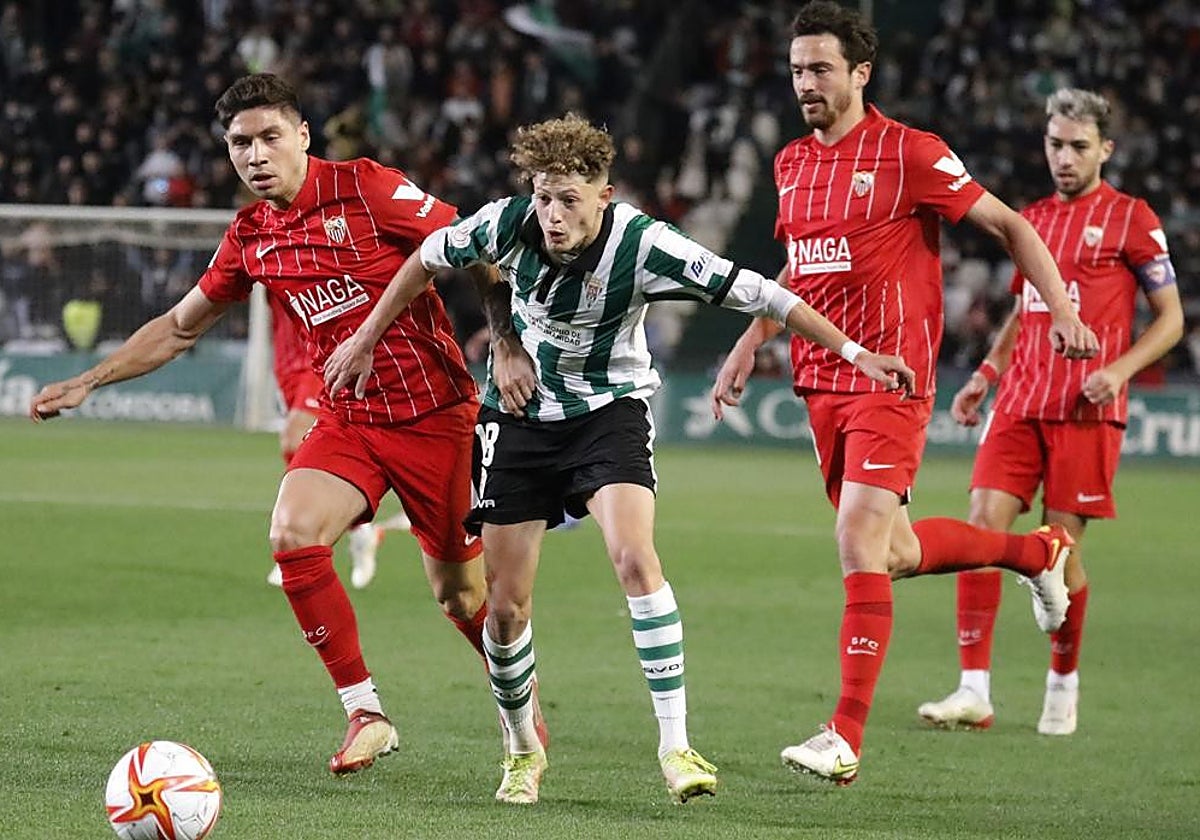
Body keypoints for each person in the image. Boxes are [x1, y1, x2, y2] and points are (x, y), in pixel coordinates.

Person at [322, 113, 914, 805]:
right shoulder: (504, 223)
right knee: (506, 608)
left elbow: (763, 291)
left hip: (610, 415)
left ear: (605, 195)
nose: (552, 214)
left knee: (635, 557)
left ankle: (676, 747)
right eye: (543, 196)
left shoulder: (645, 243)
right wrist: (377, 337)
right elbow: (426, 258)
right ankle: (521, 750)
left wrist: (854, 353)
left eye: (569, 198)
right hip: (520, 418)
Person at [28, 73, 547, 776]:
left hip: (437, 417)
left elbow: (475, 246)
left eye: (270, 136)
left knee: (460, 595)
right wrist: (89, 380)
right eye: (240, 142)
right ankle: (366, 712)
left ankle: (521, 707)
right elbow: (180, 328)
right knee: (291, 533)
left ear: (303, 135)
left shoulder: (367, 187)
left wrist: (505, 340)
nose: (255, 154)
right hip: (349, 421)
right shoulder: (250, 235)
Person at [709, 1, 1099, 785]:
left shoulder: (909, 153)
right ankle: (1038, 553)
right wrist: (753, 339)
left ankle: (844, 733)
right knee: (895, 552)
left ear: (860, 72)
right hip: (820, 386)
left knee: (856, 540)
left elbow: (1013, 226)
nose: (806, 84)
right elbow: (804, 271)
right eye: (796, 70)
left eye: (821, 69)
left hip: (892, 381)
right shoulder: (789, 163)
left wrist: (1060, 309)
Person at [918, 88, 1183, 736]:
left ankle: (1062, 683)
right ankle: (973, 689)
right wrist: (986, 373)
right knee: (981, 528)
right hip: (1019, 401)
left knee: (1059, 551)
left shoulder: (1132, 218)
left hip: (1085, 410)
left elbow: (1171, 319)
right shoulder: (1030, 216)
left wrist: (1119, 371)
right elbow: (1023, 311)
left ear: (1105, 150)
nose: (1064, 157)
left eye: (1078, 147)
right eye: (1055, 144)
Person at [263, 295, 411, 590]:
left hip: (322, 350)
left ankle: (300, 548)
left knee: (293, 437)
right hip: (287, 356)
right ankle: (358, 532)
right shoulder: (257, 251)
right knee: (305, 441)